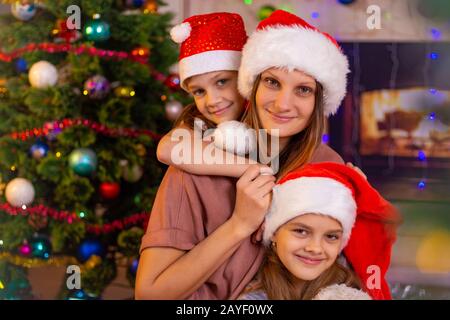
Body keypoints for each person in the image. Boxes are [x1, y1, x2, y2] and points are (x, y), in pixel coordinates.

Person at [135, 10, 356, 300]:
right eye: (273, 82)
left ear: (318, 101)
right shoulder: (193, 166)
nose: (282, 104)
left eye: (303, 89)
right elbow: (150, 295)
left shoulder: (327, 165)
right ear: (252, 84)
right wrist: (240, 223)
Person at [238, 162, 401, 300]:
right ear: (273, 231)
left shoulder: (350, 292)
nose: (315, 248)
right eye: (301, 231)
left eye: (331, 236)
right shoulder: (253, 297)